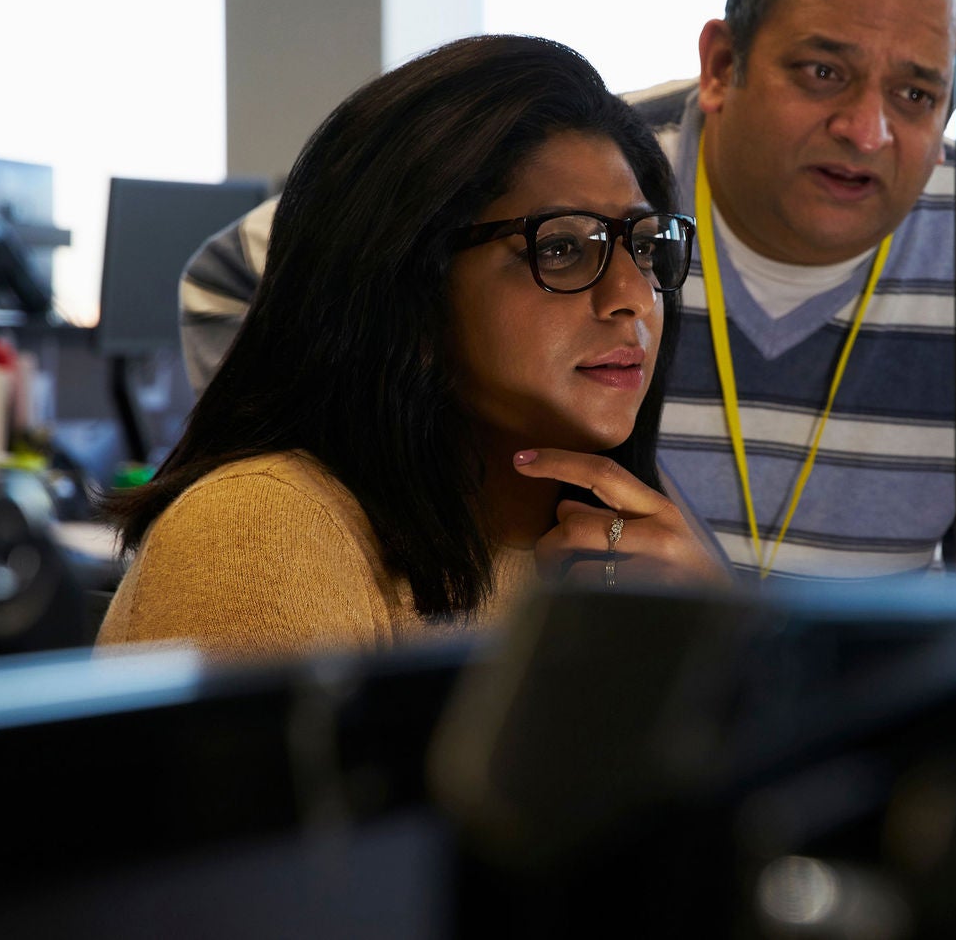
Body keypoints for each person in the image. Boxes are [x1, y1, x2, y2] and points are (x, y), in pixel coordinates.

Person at [182, 0, 956, 580]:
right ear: (722, 62)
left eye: (915, 92)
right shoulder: (589, 164)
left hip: (854, 719)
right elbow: (230, 280)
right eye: (823, 72)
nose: (866, 130)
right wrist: (399, 506)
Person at [100, 36, 726, 658]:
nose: (635, 298)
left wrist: (717, 649)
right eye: (561, 248)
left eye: (645, 247)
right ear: (408, 280)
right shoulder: (257, 534)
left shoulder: (632, 559)